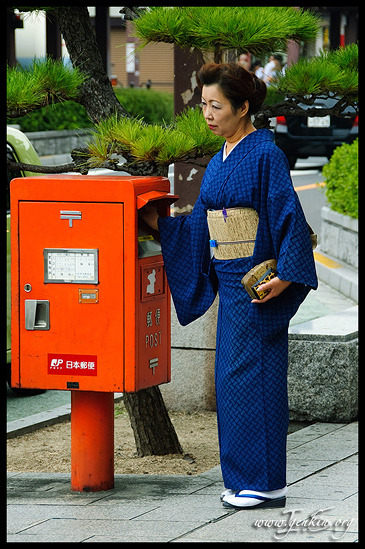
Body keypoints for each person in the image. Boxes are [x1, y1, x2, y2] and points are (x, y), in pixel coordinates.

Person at [140, 62, 317, 509]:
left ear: (242, 107)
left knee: (250, 378)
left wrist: (286, 274)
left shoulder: (264, 153)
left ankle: (262, 481)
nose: (207, 114)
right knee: (235, 379)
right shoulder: (221, 159)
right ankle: (246, 479)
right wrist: (162, 226)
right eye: (204, 105)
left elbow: (287, 213)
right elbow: (203, 222)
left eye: (216, 105)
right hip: (229, 279)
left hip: (256, 286)